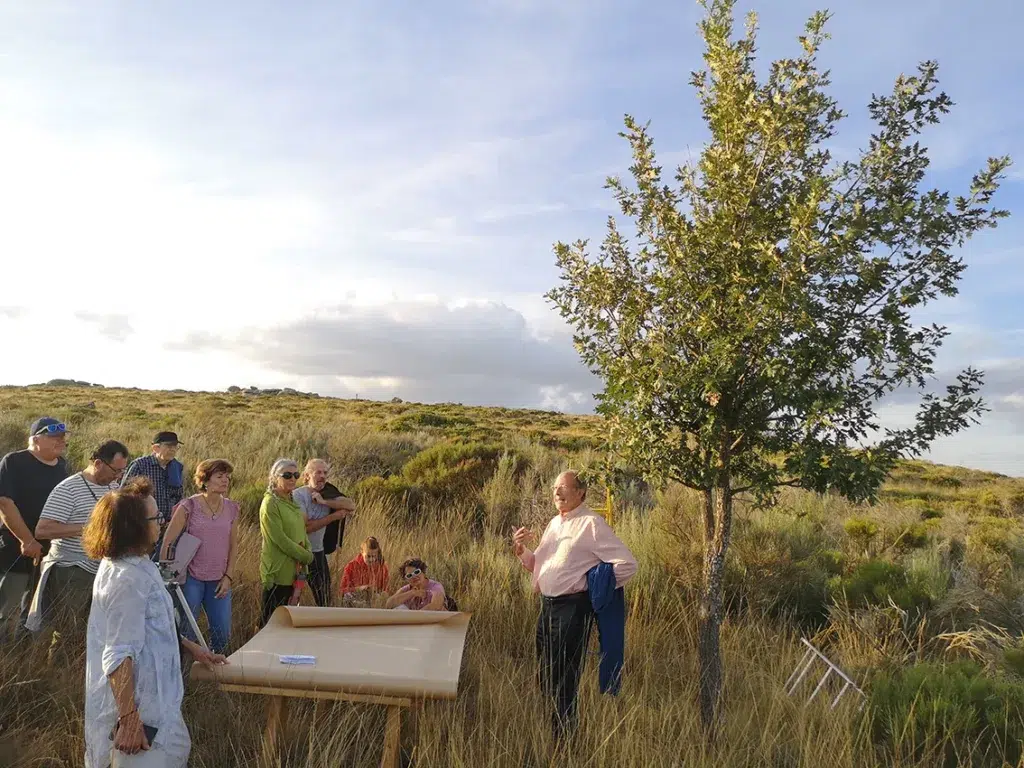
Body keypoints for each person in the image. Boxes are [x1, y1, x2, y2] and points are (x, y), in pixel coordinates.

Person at [82, 477, 227, 768]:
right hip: (139, 716)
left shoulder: (140, 565)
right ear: (132, 526)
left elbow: (150, 626)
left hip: (157, 705)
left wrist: (191, 647)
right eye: (156, 517)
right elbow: (118, 653)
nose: (162, 522)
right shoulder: (126, 579)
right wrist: (129, 720)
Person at [512, 470, 637, 738]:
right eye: (554, 487)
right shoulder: (554, 524)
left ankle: (566, 739)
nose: (557, 492)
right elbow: (539, 566)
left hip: (572, 607)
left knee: (564, 676)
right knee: (547, 672)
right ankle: (551, 730)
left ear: (580, 492)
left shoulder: (592, 524)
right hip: (547, 607)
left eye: (563, 487)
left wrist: (596, 589)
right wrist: (522, 551)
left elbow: (627, 565)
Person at [27, 440, 129, 643]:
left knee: (94, 631)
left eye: (122, 471)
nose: (118, 476)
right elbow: (42, 530)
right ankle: (55, 664)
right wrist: (89, 528)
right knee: (68, 632)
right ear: (98, 463)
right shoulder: (68, 489)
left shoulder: (113, 487)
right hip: (72, 569)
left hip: (102, 569)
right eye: (116, 470)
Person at [0, 417, 70, 639]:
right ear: (36, 439)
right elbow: (5, 503)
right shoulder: (14, 462)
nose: (61, 441)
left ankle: (23, 651)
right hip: (16, 545)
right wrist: (27, 540)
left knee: (34, 607)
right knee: (8, 606)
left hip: (50, 550)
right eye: (55, 437)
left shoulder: (62, 466)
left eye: (63, 437)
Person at [159, 459, 238, 655]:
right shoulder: (189, 506)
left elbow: (233, 545)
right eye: (219, 476)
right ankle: (186, 670)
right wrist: (166, 578)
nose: (225, 480)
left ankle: (216, 669)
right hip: (190, 579)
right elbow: (168, 541)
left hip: (219, 580)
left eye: (227, 476)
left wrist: (228, 576)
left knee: (222, 634)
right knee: (187, 632)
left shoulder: (232, 508)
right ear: (205, 480)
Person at [291, 459, 355, 607]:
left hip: (318, 552)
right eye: (318, 472)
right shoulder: (298, 495)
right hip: (298, 552)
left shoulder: (328, 492)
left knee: (324, 598)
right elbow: (305, 527)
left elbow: (351, 505)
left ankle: (322, 621)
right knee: (293, 596)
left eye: (325, 473)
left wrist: (324, 502)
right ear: (307, 475)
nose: (323, 476)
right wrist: (333, 517)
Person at [259, 459, 312, 626]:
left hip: (295, 570)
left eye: (296, 475)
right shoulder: (270, 503)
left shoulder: (292, 500)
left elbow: (301, 530)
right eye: (287, 475)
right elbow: (280, 539)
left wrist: (307, 550)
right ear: (275, 477)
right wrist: (306, 556)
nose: (293, 479)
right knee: (269, 622)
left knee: (288, 622)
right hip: (278, 571)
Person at [122, 432, 185, 556]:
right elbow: (124, 494)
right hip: (143, 527)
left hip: (167, 528)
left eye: (175, 446)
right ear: (156, 448)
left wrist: (174, 520)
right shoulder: (140, 465)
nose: (173, 450)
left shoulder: (177, 467)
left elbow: (179, 496)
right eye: (169, 446)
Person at [339, 537, 389, 606]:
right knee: (347, 596)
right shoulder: (351, 566)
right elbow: (342, 590)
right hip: (356, 598)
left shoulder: (382, 567)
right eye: (368, 556)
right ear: (362, 552)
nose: (371, 559)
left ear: (377, 554)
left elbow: (386, 590)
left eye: (374, 556)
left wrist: (379, 595)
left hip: (374, 600)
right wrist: (359, 589)